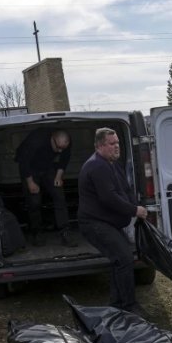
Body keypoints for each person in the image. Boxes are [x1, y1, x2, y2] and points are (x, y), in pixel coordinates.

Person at [77, 127, 148, 314]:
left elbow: (125, 189)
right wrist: (134, 210)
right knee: (124, 257)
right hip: (94, 224)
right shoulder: (97, 166)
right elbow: (109, 198)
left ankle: (117, 305)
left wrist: (136, 207)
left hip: (107, 223)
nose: (117, 147)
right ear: (100, 146)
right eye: (112, 144)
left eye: (117, 143)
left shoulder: (111, 163)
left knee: (121, 259)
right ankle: (129, 306)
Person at [15, 128, 76, 247]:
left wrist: (58, 176)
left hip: (47, 166)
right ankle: (36, 233)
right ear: (52, 137)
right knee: (34, 201)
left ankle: (65, 232)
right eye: (57, 147)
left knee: (59, 196)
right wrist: (30, 182)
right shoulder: (35, 140)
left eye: (62, 148)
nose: (59, 151)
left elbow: (64, 159)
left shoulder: (65, 143)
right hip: (30, 168)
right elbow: (24, 162)